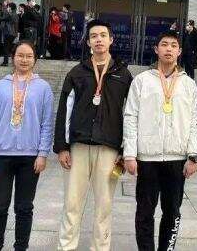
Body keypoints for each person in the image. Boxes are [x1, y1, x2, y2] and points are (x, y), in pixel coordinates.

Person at [53, 19, 133, 251]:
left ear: (111, 40)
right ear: (88, 42)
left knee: (104, 206)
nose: (99, 40)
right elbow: (64, 110)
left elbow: (131, 114)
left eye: (103, 35)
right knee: (72, 203)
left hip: (109, 148)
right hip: (78, 146)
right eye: (94, 36)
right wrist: (62, 147)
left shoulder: (123, 74)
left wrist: (126, 150)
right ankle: (66, 247)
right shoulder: (77, 73)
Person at [123, 31, 197, 251]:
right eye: (164, 44)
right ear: (156, 49)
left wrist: (193, 155)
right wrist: (130, 154)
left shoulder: (188, 84)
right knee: (144, 212)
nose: (169, 49)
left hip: (177, 158)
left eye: (173, 45)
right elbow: (130, 116)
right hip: (147, 158)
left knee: (172, 212)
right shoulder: (142, 81)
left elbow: (194, 121)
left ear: (179, 51)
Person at [0, 41, 54, 251]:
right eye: (20, 55)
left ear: (35, 59)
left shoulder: (43, 88)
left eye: (29, 56)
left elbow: (47, 123)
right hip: (0, 155)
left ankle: (21, 247)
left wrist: (43, 153)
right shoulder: (0, 86)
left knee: (24, 208)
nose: (24, 60)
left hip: (30, 157)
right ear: (13, 57)